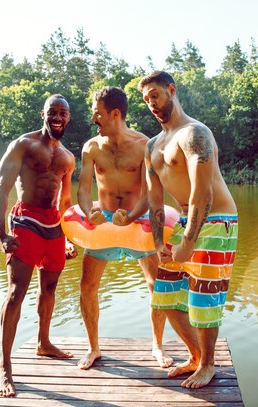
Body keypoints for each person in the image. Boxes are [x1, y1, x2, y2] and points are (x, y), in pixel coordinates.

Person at [138, 71, 239, 389]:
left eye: (155, 94)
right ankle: (196, 356)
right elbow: (154, 200)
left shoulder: (195, 133)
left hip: (217, 221)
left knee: (203, 300)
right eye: (145, 99)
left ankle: (208, 365)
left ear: (171, 89)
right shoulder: (152, 145)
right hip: (182, 221)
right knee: (165, 299)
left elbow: (203, 192)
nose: (151, 103)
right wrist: (158, 242)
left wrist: (190, 241)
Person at [76, 86, 172, 370]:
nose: (94, 119)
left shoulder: (145, 145)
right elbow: (82, 189)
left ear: (115, 114)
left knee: (157, 284)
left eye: (98, 114)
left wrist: (131, 217)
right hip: (103, 222)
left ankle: (157, 345)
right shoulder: (91, 147)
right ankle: (93, 348)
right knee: (87, 286)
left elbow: (150, 194)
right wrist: (88, 211)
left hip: (137, 220)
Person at [0, 94, 78, 397]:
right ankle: (4, 367)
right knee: (16, 293)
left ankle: (43, 343)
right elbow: (0, 189)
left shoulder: (68, 157)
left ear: (68, 119)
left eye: (63, 113)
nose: (57, 117)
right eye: (52, 112)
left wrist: (69, 237)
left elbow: (66, 201)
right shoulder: (23, 145)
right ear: (43, 114)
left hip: (54, 225)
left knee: (50, 289)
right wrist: (1, 233)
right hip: (26, 222)